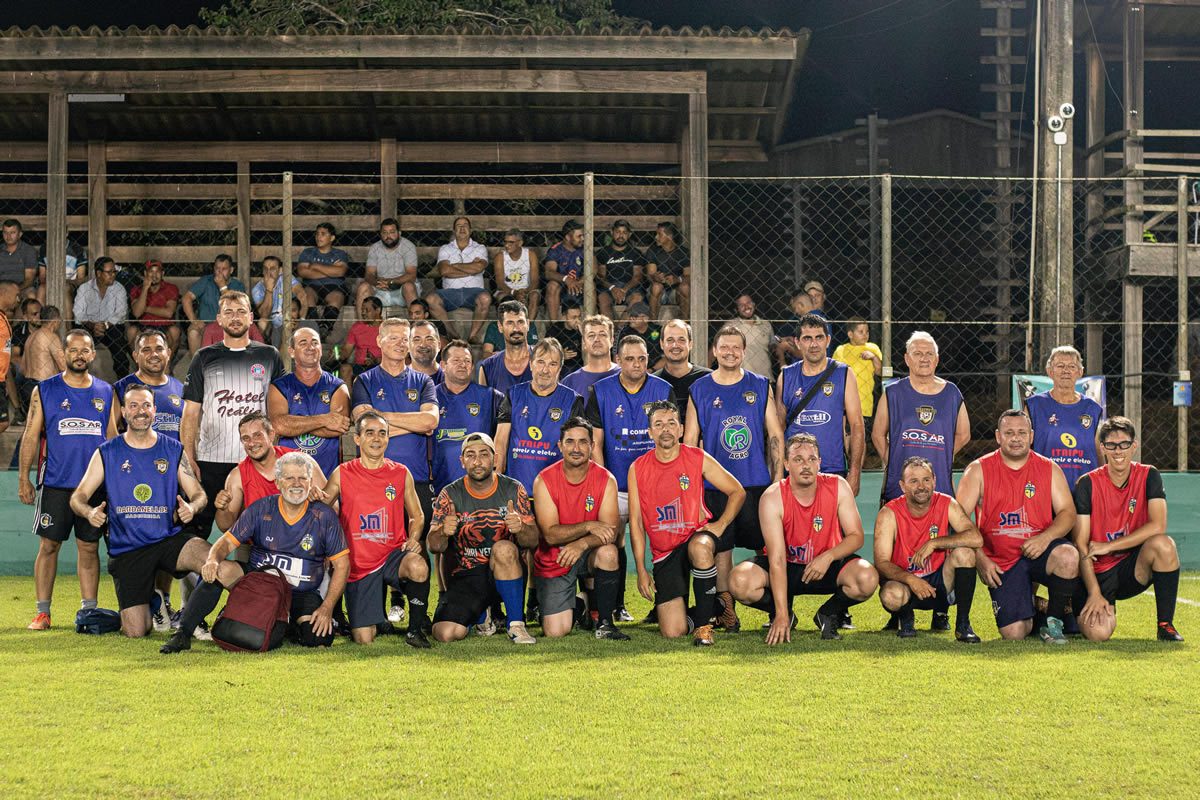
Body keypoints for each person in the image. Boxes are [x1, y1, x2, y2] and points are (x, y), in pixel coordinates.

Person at [160, 452, 350, 654]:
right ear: (278, 482)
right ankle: (183, 633)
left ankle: (286, 624)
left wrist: (327, 608)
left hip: (301, 593)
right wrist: (213, 560)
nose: (297, 484)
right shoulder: (261, 509)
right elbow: (226, 542)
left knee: (318, 638)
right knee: (218, 570)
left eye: (302, 478)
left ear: (311, 482)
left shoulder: (324, 516)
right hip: (260, 587)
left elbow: (343, 565)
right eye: (289, 478)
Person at [68, 384, 207, 637]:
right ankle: (153, 601)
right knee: (136, 630)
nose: (140, 411)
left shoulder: (173, 448)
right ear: (123, 411)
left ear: (154, 410)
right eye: (133, 405)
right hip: (128, 549)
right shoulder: (107, 452)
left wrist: (192, 506)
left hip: (167, 539)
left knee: (215, 563)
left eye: (146, 405)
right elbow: (78, 497)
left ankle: (200, 619)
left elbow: (199, 495)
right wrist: (89, 513)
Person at [728, 433, 880, 643]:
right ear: (786, 464)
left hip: (826, 566)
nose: (806, 465)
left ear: (819, 463)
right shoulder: (772, 496)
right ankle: (784, 615)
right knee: (739, 581)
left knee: (867, 577)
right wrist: (781, 614)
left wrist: (828, 556)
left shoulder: (838, 486)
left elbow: (856, 536)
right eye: (798, 459)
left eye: (811, 459)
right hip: (788, 567)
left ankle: (828, 613)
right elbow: (777, 560)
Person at [686, 323, 785, 632]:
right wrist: (692, 489)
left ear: (744, 352)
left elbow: (775, 434)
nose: (730, 352)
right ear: (714, 351)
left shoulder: (760, 385)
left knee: (767, 546)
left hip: (756, 482)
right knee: (722, 549)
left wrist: (777, 478)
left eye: (736, 347)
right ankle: (727, 612)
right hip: (716, 486)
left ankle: (778, 607)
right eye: (724, 347)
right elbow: (690, 443)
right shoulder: (699, 389)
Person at [19, 329, 116, 630]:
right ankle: (42, 613)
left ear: (92, 354)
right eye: (73, 350)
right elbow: (30, 435)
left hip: (93, 487)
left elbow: (112, 439)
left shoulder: (105, 391)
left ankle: (89, 613)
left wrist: (116, 484)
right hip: (56, 483)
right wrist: (23, 478)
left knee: (89, 547)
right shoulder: (45, 390)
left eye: (84, 350)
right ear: (63, 354)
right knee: (49, 546)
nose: (79, 355)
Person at [628, 400, 745, 646]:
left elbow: (737, 491)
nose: (666, 429)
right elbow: (636, 523)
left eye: (672, 423)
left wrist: (720, 525)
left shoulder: (696, 457)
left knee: (700, 548)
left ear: (681, 429)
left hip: (696, 536)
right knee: (673, 631)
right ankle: (716, 606)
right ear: (650, 432)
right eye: (659, 424)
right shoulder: (637, 468)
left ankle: (703, 628)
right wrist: (640, 569)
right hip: (664, 551)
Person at [956, 410, 1079, 644]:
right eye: (1009, 433)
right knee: (1014, 632)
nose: (1016, 438)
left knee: (1068, 555)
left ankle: (1053, 623)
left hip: (1039, 551)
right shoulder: (978, 470)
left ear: (1031, 436)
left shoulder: (1049, 468)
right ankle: (1037, 608)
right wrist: (981, 559)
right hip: (1001, 561)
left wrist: (1045, 538)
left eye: (1022, 433)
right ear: (998, 436)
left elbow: (1068, 513)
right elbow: (959, 520)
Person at [351, 316, 439, 616]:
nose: (401, 344)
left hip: (416, 477)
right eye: (394, 338)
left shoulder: (423, 381)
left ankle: (418, 617)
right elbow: (363, 422)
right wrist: (409, 422)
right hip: (374, 479)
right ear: (379, 341)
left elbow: (429, 422)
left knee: (416, 544)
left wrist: (381, 421)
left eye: (405, 338)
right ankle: (380, 613)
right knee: (376, 543)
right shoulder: (364, 381)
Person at [181, 290, 284, 542]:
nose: (235, 317)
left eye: (241, 312)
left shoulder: (269, 355)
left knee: (257, 529)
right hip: (211, 459)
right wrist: (189, 457)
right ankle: (197, 569)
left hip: (254, 458)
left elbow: (278, 411)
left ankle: (246, 569)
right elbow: (190, 413)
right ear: (219, 319)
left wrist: (276, 452)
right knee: (196, 529)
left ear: (251, 318)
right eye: (228, 312)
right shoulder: (204, 357)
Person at [586, 334, 675, 619]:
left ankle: (664, 604)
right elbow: (596, 443)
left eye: (642, 359)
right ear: (618, 360)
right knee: (612, 541)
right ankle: (615, 605)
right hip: (617, 485)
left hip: (656, 486)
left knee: (665, 542)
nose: (637, 364)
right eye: (629, 359)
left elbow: (671, 439)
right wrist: (605, 484)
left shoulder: (663, 389)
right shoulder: (601, 391)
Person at [324, 411, 431, 647]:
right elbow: (321, 510)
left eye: (382, 433)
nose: (376, 438)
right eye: (370, 433)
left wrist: (414, 538)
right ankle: (377, 618)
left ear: (388, 438)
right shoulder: (342, 473)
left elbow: (417, 515)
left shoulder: (401, 473)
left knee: (418, 565)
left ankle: (415, 631)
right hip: (359, 564)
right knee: (364, 639)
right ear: (357, 438)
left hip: (393, 555)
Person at [1072, 416, 1183, 642]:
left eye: (1124, 444)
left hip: (1130, 568)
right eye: (1111, 445)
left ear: (1134, 446)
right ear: (1102, 448)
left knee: (1164, 545)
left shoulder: (1149, 475)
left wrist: (1109, 546)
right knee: (1098, 634)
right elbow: (1081, 544)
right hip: (1097, 571)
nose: (1118, 451)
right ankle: (1054, 608)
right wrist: (1094, 592)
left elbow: (1158, 525)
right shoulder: (1087, 483)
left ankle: (1165, 625)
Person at [427, 432, 538, 644]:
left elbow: (533, 541)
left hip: (506, 570)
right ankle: (481, 614)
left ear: (495, 459)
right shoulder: (449, 494)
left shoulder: (513, 489)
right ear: (462, 461)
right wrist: (443, 531)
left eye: (484, 454)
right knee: (445, 633)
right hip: (467, 576)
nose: (477, 462)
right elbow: (434, 546)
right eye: (470, 455)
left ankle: (516, 625)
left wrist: (521, 527)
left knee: (504, 548)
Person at [532, 418, 627, 640]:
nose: (576, 448)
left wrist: (582, 543)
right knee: (555, 632)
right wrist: (588, 526)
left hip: (588, 552)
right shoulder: (544, 480)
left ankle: (605, 623)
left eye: (583, 442)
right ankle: (580, 605)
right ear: (560, 446)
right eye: (570, 442)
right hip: (556, 556)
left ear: (592, 446)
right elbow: (550, 534)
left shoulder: (606, 479)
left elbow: (610, 532)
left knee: (609, 552)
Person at [874, 456, 983, 642]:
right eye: (913, 481)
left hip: (939, 581)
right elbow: (881, 563)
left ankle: (963, 625)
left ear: (934, 481)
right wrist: (911, 580)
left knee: (965, 553)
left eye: (926, 480)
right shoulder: (889, 512)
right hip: (906, 583)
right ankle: (905, 618)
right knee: (891, 595)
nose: (921, 486)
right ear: (902, 486)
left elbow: (976, 538)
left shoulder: (946, 503)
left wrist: (934, 543)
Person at [873, 331, 970, 505]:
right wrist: (895, 462)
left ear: (937, 359)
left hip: (939, 486)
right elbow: (878, 434)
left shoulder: (952, 393)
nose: (924, 359)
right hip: (900, 489)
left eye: (929, 354)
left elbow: (964, 435)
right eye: (917, 353)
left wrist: (942, 455)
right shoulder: (893, 393)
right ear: (907, 359)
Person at [779, 313, 864, 495]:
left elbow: (857, 425)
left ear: (828, 340)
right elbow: (778, 431)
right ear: (797, 342)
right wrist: (777, 474)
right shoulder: (786, 377)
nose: (814, 344)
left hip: (833, 469)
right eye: (807, 338)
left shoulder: (844, 374)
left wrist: (855, 473)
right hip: (794, 471)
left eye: (819, 337)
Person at [501, 338, 584, 503]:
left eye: (552, 364)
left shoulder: (573, 400)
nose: (545, 370)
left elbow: (578, 450)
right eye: (540, 362)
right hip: (516, 494)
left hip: (555, 495)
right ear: (531, 364)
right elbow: (500, 442)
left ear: (560, 368)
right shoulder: (513, 395)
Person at [267, 326, 350, 478]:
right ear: (292, 351)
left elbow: (339, 427)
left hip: (328, 477)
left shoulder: (337, 386)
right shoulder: (279, 386)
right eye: (303, 343)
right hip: (289, 477)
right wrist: (324, 419)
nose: (310, 347)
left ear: (320, 349)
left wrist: (294, 424)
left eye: (315, 342)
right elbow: (279, 425)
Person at [1025, 345, 1103, 489]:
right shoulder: (1034, 405)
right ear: (1050, 371)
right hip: (1045, 486)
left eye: (1072, 366)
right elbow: (1023, 448)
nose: (1066, 371)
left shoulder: (1092, 408)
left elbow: (1098, 450)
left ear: (1080, 372)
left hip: (1084, 489)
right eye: (1060, 366)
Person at [212, 412, 295, 534]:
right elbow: (225, 527)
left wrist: (317, 496)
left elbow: (325, 505)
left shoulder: (300, 461)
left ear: (271, 435)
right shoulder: (237, 476)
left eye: (257, 435)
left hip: (298, 538)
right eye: (246, 438)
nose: (251, 443)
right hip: (256, 542)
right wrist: (223, 510)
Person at [425, 216, 491, 344]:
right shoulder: (445, 248)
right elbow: (444, 271)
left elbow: (478, 268)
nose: (462, 228)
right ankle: (452, 333)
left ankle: (472, 336)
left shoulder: (480, 248)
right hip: (450, 293)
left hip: (474, 292)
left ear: (470, 230)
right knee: (431, 299)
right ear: (454, 230)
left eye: (465, 225)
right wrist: (470, 267)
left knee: (485, 298)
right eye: (458, 226)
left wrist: (454, 266)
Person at [113, 328, 184, 443]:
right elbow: (110, 433)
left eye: (159, 349)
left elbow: (189, 433)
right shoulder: (119, 389)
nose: (154, 354)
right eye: (146, 350)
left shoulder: (181, 389)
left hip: (173, 454)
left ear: (168, 354)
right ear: (136, 356)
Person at [73, 256, 130, 377]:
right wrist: (92, 325)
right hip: (89, 326)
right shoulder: (85, 288)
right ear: (98, 273)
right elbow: (78, 313)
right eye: (109, 272)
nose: (113, 275)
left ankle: (123, 382)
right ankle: (77, 379)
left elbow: (121, 313)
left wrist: (105, 325)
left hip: (111, 326)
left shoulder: (119, 289)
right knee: (78, 346)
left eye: (114, 272)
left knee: (120, 350)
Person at [183, 254, 246, 354]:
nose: (220, 272)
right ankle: (197, 362)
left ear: (231, 270)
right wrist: (194, 320)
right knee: (193, 332)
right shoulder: (206, 281)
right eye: (217, 268)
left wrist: (222, 287)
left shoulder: (238, 285)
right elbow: (187, 298)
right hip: (204, 325)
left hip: (229, 326)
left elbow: (234, 306)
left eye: (224, 269)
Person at [296, 222, 351, 336]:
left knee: (337, 297)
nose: (318, 237)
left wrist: (315, 266)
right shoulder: (308, 252)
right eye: (317, 234)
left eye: (323, 234)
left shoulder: (339, 254)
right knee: (307, 295)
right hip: (311, 286)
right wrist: (331, 271)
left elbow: (340, 271)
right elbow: (302, 272)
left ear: (332, 238)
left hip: (334, 287)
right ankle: (314, 326)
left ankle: (325, 327)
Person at [357, 218, 420, 315]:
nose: (388, 236)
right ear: (380, 234)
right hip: (380, 290)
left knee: (409, 286)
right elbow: (369, 274)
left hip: (401, 290)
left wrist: (391, 282)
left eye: (392, 232)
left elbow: (411, 275)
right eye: (385, 233)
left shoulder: (408, 246)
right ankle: (361, 324)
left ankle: (417, 323)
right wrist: (378, 282)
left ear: (399, 233)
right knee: (363, 287)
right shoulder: (375, 248)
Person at [653, 319, 711, 421]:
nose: (675, 345)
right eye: (670, 340)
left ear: (690, 344)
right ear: (662, 344)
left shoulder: (707, 379)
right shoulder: (653, 383)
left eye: (681, 340)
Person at [831, 318, 883, 430]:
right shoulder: (841, 350)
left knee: (861, 434)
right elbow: (834, 375)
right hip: (843, 402)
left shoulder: (872, 348)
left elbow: (880, 372)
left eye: (867, 331)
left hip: (864, 403)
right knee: (844, 434)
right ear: (850, 334)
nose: (865, 335)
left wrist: (874, 357)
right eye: (861, 332)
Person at [476, 299, 532, 394]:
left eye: (520, 322)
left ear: (528, 324)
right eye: (510, 323)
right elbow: (485, 402)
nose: (516, 328)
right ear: (500, 326)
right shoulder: (488, 367)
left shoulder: (544, 361)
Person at [127, 259, 182, 354]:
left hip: (164, 325)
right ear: (145, 273)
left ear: (162, 273)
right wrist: (145, 288)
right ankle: (140, 362)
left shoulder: (171, 288)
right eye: (151, 271)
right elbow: (137, 313)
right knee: (131, 331)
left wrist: (145, 308)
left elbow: (168, 313)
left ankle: (166, 362)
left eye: (157, 272)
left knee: (175, 331)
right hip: (143, 325)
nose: (154, 275)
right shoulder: (137, 290)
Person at [596, 219, 646, 318]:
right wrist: (613, 288)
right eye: (618, 232)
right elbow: (601, 276)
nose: (621, 236)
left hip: (629, 287)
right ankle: (609, 325)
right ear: (612, 232)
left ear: (629, 235)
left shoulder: (635, 253)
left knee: (637, 298)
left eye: (624, 233)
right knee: (602, 299)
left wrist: (623, 290)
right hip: (609, 287)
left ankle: (620, 326)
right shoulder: (603, 252)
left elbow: (637, 276)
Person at [251, 255, 306, 346]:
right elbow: (264, 314)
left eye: (272, 269)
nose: (268, 272)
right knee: (262, 322)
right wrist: (269, 290)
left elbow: (302, 296)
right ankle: (263, 347)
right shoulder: (257, 289)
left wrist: (301, 320)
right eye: (265, 269)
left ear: (280, 270)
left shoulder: (287, 279)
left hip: (290, 319)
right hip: (272, 323)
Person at [561, 313, 619, 398]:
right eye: (591, 335)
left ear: (612, 341)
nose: (597, 339)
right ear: (584, 343)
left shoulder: (626, 376)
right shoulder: (570, 382)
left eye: (602, 334)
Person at [644, 222, 689, 321]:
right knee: (656, 286)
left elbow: (688, 276)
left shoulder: (683, 252)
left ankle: (684, 323)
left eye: (659, 234)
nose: (656, 237)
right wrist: (656, 277)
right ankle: (652, 323)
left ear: (670, 236)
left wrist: (677, 279)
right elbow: (650, 274)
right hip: (658, 291)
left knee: (685, 287)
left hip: (675, 292)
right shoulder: (653, 251)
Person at [723, 294, 774, 379]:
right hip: (741, 378)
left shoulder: (766, 324)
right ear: (736, 309)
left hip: (765, 377)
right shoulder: (731, 325)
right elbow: (718, 347)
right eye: (741, 305)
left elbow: (773, 347)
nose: (746, 307)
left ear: (754, 304)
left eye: (748, 303)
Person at [493, 228, 540, 320]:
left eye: (511, 242)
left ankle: (529, 325)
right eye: (505, 242)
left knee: (535, 296)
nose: (507, 245)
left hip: (527, 289)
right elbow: (500, 283)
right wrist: (514, 292)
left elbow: (535, 281)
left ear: (520, 243)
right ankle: (509, 324)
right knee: (502, 298)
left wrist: (525, 293)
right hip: (506, 290)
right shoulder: (500, 257)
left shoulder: (530, 255)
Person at [544, 219, 585, 321]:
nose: (583, 239)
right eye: (579, 236)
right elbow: (549, 272)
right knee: (552, 285)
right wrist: (567, 279)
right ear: (568, 237)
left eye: (583, 235)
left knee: (591, 284)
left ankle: (590, 323)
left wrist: (582, 281)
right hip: (562, 288)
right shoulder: (555, 250)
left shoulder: (584, 248)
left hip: (580, 286)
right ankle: (555, 325)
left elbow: (594, 267)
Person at [340, 295, 383, 382]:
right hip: (359, 366)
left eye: (367, 310)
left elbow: (392, 355)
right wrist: (336, 354)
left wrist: (375, 360)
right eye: (362, 310)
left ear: (377, 310)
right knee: (345, 369)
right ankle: (348, 392)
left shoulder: (387, 328)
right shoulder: (357, 327)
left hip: (380, 365)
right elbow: (346, 350)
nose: (363, 313)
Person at [37, 237, 89, 309]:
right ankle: (44, 315)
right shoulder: (44, 249)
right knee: (41, 289)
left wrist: (66, 282)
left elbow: (81, 278)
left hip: (71, 283)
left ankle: (67, 316)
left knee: (65, 288)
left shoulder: (77, 249)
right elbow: (42, 276)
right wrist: (51, 284)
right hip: (50, 283)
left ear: (67, 233)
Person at [617, 303, 664, 370]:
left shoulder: (658, 330)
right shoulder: (625, 332)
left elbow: (667, 357)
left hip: (657, 371)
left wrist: (651, 370)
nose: (631, 318)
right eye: (631, 315)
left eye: (635, 316)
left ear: (646, 318)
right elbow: (618, 358)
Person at [774, 289, 815, 368]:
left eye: (795, 308)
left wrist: (788, 347)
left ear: (800, 305)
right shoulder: (819, 317)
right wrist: (792, 340)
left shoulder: (810, 321)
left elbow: (809, 354)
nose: (795, 312)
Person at [0, 218, 39, 290]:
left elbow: (29, 279)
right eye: (5, 233)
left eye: (12, 233)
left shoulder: (28, 251)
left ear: (20, 234)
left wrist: (15, 290)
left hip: (23, 288)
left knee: (31, 294)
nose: (8, 236)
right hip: (2, 289)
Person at [544, 306, 583, 375]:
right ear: (564, 317)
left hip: (579, 366)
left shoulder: (582, 330)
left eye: (579, 317)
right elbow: (545, 351)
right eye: (574, 317)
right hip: (561, 366)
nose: (577, 321)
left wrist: (583, 334)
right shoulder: (555, 330)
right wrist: (560, 356)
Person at [409, 320, 445, 386]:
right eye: (417, 340)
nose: (423, 345)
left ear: (439, 345)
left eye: (429, 339)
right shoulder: (396, 380)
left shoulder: (451, 379)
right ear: (408, 346)